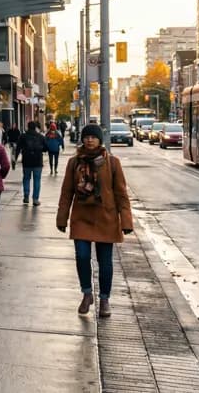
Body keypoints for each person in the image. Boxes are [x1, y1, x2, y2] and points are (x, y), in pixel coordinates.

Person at [56, 124, 134, 318]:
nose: (89, 140)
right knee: (82, 257)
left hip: (106, 218)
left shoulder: (112, 163)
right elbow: (67, 192)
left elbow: (121, 193)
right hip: (82, 217)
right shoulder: (74, 163)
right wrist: (62, 217)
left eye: (93, 137)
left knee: (105, 262)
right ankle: (87, 294)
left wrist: (126, 221)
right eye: (86, 137)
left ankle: (105, 299)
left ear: (100, 140)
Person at [15, 121, 49, 206]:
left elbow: (18, 148)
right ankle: (35, 199)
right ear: (35, 127)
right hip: (38, 161)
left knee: (26, 178)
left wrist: (15, 159)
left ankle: (26, 196)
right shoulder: (41, 137)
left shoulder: (23, 136)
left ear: (28, 127)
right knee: (37, 180)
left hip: (26, 161)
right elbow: (46, 148)